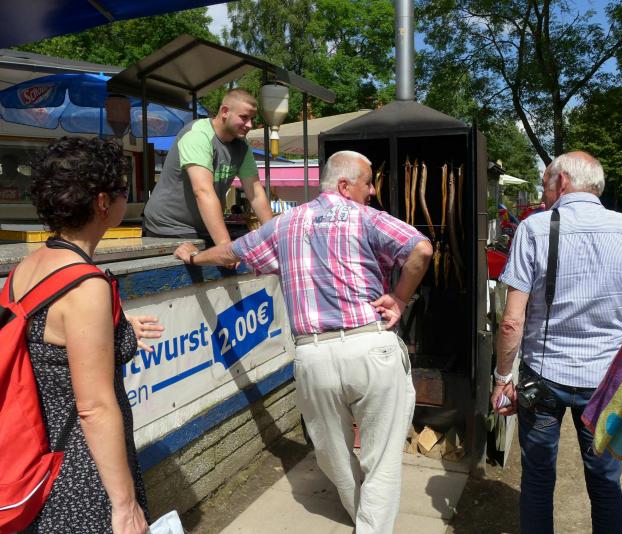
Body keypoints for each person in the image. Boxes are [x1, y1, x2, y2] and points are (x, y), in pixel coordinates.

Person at [174, 150, 432, 533]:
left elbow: (230, 253)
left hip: (314, 355)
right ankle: (371, 524)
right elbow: (421, 248)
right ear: (344, 185)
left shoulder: (285, 224)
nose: (373, 191)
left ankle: (364, 519)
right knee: (382, 460)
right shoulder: (368, 218)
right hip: (370, 347)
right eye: (368, 183)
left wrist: (193, 257)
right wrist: (399, 298)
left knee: (332, 454)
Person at [491, 151, 622, 534]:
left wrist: (502, 376)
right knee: (606, 482)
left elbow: (511, 321)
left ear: (562, 182)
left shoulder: (534, 229)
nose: (543, 196)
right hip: (607, 380)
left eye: (544, 186)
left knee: (537, 481)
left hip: (542, 378)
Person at [12, 137, 163, 533]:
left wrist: (116, 331)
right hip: (83, 472)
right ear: (102, 202)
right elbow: (94, 407)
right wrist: (125, 505)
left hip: (39, 464)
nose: (127, 198)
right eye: (124, 190)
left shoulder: (28, 267)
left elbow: (48, 343)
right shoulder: (84, 285)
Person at [142, 88, 273, 246]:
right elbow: (203, 191)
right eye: (244, 117)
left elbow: (255, 193)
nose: (250, 125)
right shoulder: (198, 135)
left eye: (252, 118)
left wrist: (274, 237)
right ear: (225, 111)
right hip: (168, 226)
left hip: (203, 227)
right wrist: (224, 247)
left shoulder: (242, 146)